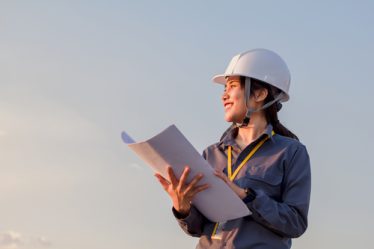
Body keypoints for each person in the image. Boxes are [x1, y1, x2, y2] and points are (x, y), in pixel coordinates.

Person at [155, 48, 311, 249]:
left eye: (232, 86)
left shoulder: (291, 152)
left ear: (260, 94)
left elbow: (295, 223)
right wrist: (183, 209)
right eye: (224, 89)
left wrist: (246, 196)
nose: (224, 96)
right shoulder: (211, 154)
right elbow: (198, 227)